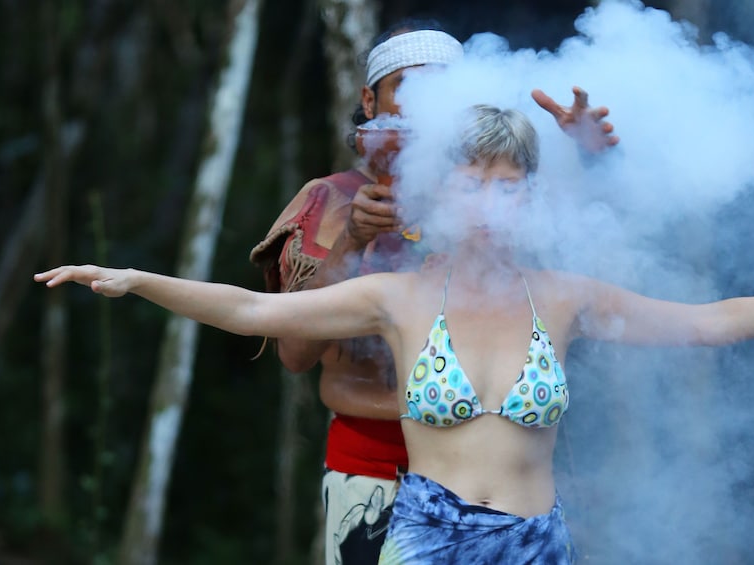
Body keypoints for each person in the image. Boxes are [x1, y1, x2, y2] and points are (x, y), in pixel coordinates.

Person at [35, 104, 754, 563]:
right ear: (442, 190)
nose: (492, 199)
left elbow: (709, 325)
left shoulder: (565, 295)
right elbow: (257, 311)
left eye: (512, 183)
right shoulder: (393, 296)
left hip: (534, 541)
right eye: (474, 179)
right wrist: (137, 278)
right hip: (424, 538)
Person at [248, 18, 621, 565]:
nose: (425, 102)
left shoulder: (496, 201)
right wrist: (351, 239)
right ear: (369, 101)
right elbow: (295, 354)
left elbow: (588, 253)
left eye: (439, 86)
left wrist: (588, 156)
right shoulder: (330, 199)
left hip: (494, 481)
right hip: (369, 468)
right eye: (408, 85)